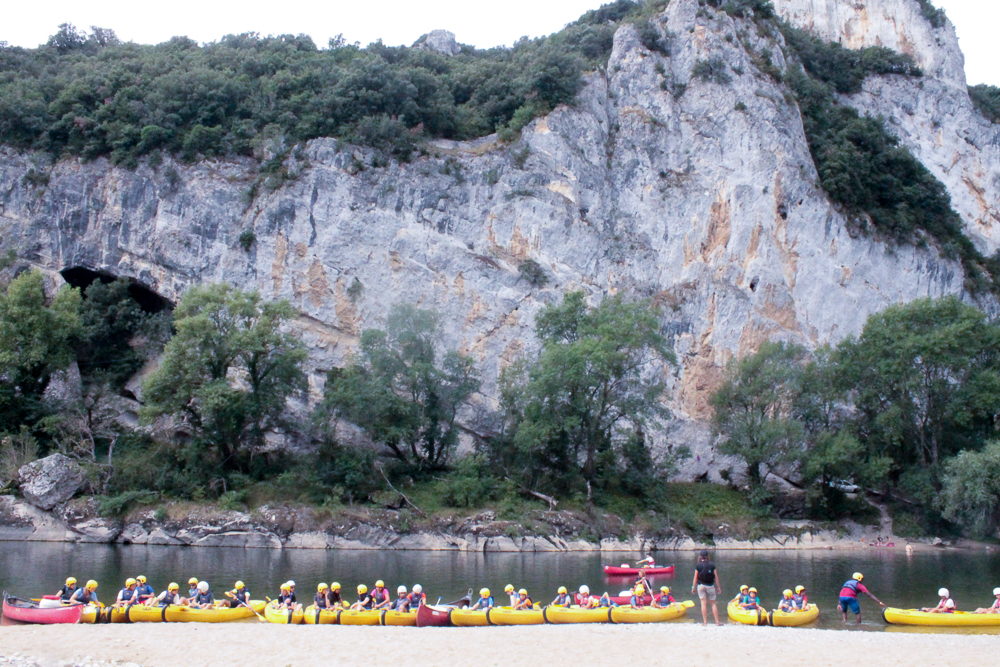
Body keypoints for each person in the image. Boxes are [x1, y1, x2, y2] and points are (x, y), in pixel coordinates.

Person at [691, 549, 722, 626]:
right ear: (707, 556)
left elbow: (695, 577)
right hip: (710, 586)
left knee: (703, 603)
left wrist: (693, 587)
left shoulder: (698, 565)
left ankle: (705, 622)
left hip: (701, 586)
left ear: (700, 556)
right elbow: (716, 576)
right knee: (713, 603)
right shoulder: (712, 565)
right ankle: (717, 621)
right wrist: (718, 587)